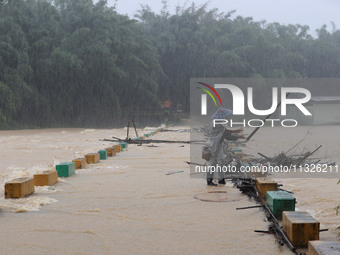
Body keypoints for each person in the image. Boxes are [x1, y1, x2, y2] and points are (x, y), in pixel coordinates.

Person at [205, 107, 244, 186]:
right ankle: (209, 180)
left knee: (221, 161)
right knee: (213, 163)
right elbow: (225, 134)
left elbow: (225, 134)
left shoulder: (222, 122)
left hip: (218, 144)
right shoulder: (217, 123)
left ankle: (221, 179)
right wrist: (237, 134)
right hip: (214, 145)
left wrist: (237, 135)